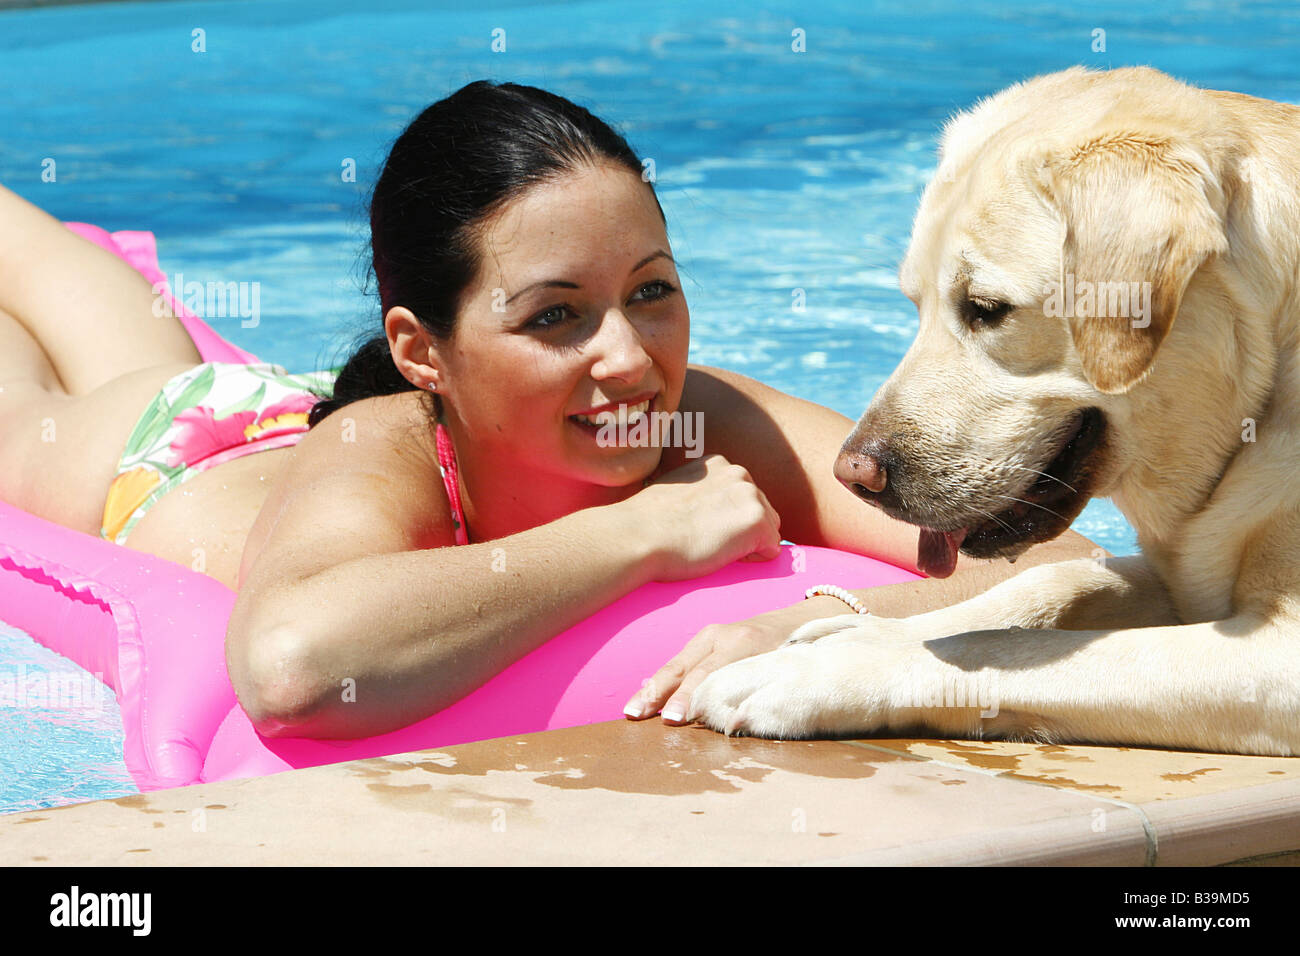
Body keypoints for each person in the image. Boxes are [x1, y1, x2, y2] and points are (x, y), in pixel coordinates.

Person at [0, 81, 1099, 741]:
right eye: (555, 316)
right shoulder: (376, 441)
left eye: (652, 290)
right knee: (34, 340)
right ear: (420, 351)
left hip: (291, 404)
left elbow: (1045, 559)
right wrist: (639, 531)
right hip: (173, 455)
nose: (628, 356)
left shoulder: (697, 412)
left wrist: (820, 629)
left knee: (81, 287)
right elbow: (291, 665)